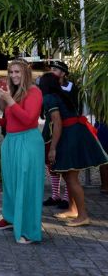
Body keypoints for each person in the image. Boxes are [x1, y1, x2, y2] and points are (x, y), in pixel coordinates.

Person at [0, 59, 44, 244]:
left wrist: (8, 99)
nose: (14, 75)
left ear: (26, 73)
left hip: (28, 142)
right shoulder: (17, 93)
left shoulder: (34, 92)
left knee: (26, 186)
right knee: (10, 184)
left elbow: (29, 119)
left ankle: (30, 231)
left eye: (18, 72)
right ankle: (10, 219)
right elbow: (11, 122)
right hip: (12, 142)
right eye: (11, 72)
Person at [39, 73, 108, 226]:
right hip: (74, 133)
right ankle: (73, 209)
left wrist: (53, 148)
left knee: (71, 177)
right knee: (67, 174)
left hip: (70, 136)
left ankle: (83, 215)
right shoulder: (62, 94)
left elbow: (57, 123)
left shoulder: (50, 98)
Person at [43, 60, 78, 209]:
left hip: (66, 128)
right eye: (51, 69)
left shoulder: (71, 88)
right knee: (51, 162)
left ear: (63, 73)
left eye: (56, 70)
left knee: (66, 162)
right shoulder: (50, 89)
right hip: (50, 127)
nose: (52, 72)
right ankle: (55, 194)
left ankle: (66, 197)